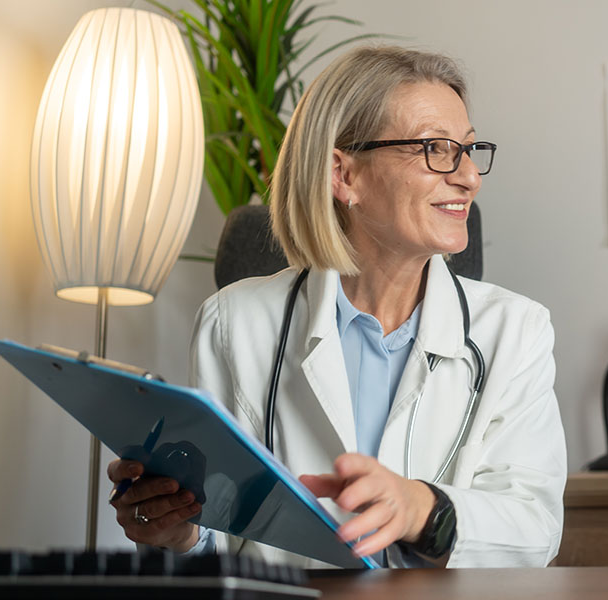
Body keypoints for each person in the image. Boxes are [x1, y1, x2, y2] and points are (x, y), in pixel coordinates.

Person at [105, 46, 567, 568]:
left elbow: (535, 530)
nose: (468, 178)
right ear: (343, 175)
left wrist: (423, 508)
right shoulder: (234, 323)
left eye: (467, 149)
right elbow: (221, 534)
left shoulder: (515, 331)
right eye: (436, 149)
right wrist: (178, 533)